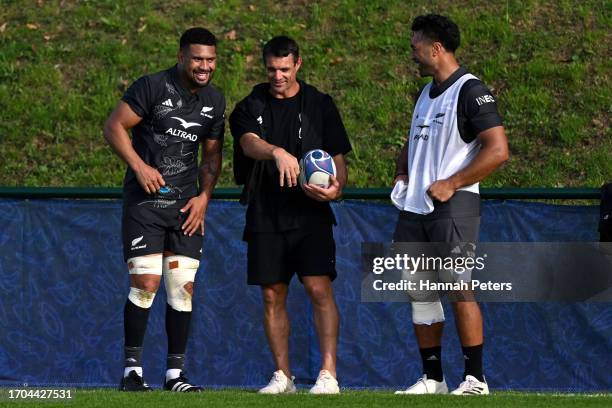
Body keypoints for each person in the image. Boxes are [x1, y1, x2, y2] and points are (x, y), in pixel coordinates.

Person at [391, 14, 509, 395]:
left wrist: (454, 182)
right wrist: (402, 174)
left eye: (415, 46)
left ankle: (476, 379)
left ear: (435, 48)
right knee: (419, 290)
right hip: (415, 208)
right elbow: (413, 141)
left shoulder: (472, 91)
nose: (412, 54)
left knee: (459, 287)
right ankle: (433, 379)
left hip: (454, 205)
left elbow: (498, 150)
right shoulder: (425, 92)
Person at [103, 27, 225, 392]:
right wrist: (140, 167)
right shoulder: (152, 86)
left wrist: (204, 198)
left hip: (186, 207)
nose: (205, 66)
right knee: (146, 283)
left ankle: (175, 376)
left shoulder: (215, 100)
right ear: (181, 57)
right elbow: (113, 127)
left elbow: (212, 155)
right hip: (146, 204)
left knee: (182, 288)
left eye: (211, 59)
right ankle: (132, 372)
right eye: (198, 59)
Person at [229, 36, 351, 394]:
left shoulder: (319, 104)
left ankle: (328, 374)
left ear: (298, 64)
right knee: (271, 294)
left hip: (311, 213)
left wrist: (336, 189)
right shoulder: (250, 103)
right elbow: (247, 141)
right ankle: (284, 376)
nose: (277, 75)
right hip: (266, 213)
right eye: (271, 69)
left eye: (284, 68)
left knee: (318, 288)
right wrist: (277, 152)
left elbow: (338, 161)